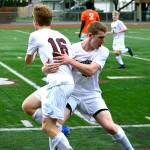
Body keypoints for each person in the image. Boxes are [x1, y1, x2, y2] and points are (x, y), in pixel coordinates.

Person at [44, 21, 134, 150]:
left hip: (91, 94)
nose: (103, 41)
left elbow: (90, 71)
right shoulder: (72, 49)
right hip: (71, 94)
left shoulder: (103, 51)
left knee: (110, 126)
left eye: (104, 37)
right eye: (101, 37)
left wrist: (70, 61)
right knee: (55, 125)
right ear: (90, 35)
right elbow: (54, 66)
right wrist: (45, 69)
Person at [22, 4, 74, 150]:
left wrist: (40, 60)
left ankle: (58, 131)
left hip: (58, 83)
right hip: (63, 82)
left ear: (35, 21)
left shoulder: (35, 35)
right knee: (28, 105)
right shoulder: (62, 36)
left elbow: (28, 60)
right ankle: (57, 128)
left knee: (47, 127)